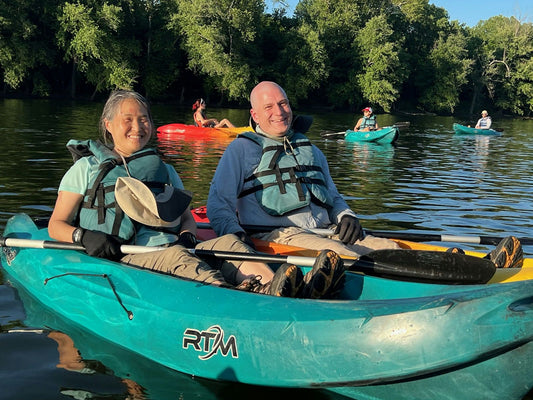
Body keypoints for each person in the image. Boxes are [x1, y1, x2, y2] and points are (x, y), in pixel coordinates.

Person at [206, 81, 523, 270]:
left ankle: (478, 267)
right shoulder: (240, 151)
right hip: (277, 236)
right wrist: (239, 240)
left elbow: (334, 196)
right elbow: (218, 204)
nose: (279, 111)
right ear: (255, 115)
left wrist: (347, 215)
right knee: (343, 257)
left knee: (392, 249)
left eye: (283, 102)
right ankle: (443, 281)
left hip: (327, 231)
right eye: (269, 106)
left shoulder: (310, 150)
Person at [47, 89, 329, 298]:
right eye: (128, 119)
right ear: (108, 125)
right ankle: (234, 298)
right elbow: (56, 224)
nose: (138, 126)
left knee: (229, 243)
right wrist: (82, 236)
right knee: (177, 258)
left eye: (144, 119)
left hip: (174, 246)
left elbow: (186, 219)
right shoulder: (87, 168)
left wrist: (187, 234)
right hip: (128, 254)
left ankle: (275, 288)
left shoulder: (166, 171)